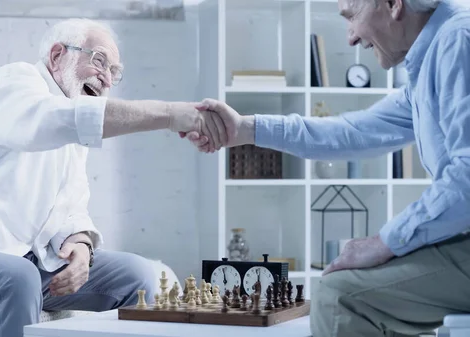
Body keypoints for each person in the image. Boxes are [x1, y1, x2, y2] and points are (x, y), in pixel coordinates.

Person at [0, 18, 225, 337]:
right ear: (57, 55)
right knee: (19, 277)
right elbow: (46, 122)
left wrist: (82, 248)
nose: (107, 79)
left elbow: (71, 207)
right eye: (99, 61)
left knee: (139, 275)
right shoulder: (14, 82)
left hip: (26, 259)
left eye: (114, 71)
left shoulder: (72, 119)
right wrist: (171, 114)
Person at [186, 0, 470, 335]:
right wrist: (246, 129)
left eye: (353, 18)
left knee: (341, 295)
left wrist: (384, 242)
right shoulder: (435, 52)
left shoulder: (457, 40)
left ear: (393, 4)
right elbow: (353, 131)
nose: (350, 38)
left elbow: (466, 178)